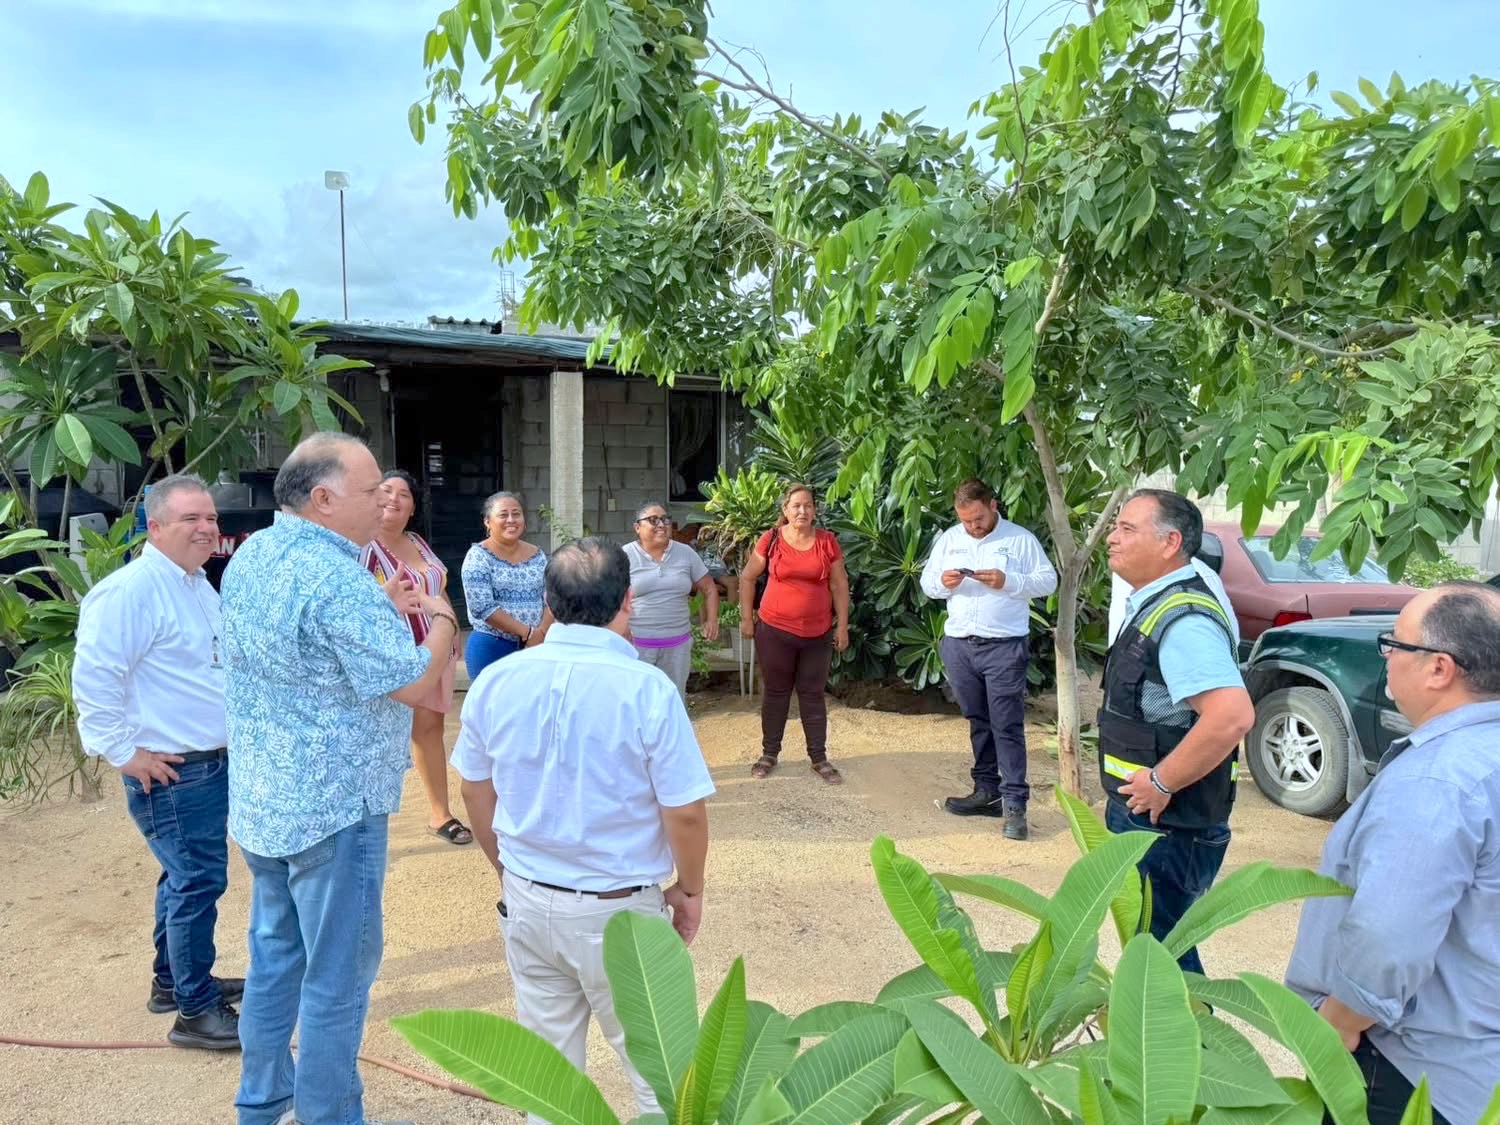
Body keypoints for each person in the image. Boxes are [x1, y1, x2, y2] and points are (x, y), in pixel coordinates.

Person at [222, 432, 457, 1125]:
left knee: (274, 959)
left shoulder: (254, 553)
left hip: (267, 801)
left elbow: (309, 646)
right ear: (323, 499)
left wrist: (380, 606)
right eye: (370, 489)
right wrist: (442, 620)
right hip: (334, 809)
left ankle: (262, 1102)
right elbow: (412, 681)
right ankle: (330, 1115)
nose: (384, 499)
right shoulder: (336, 577)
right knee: (336, 979)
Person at [453, 538, 713, 1122]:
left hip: (528, 897)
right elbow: (685, 811)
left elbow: (474, 789)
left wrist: (506, 869)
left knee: (549, 1078)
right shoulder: (646, 689)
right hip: (620, 910)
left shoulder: (496, 681)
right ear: (629, 600)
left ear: (548, 601)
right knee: (661, 1077)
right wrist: (691, 889)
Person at [1286, 581, 1500, 1125]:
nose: (1385, 656)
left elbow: (1388, 933)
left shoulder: (1438, 779)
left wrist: (1342, 1019)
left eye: (1395, 643)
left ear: (1439, 668)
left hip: (1413, 1069)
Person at [73, 474, 243, 1050]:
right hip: (175, 771)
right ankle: (195, 1012)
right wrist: (124, 753)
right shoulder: (130, 592)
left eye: (211, 518)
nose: (207, 528)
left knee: (182, 876)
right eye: (192, 518)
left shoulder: (196, 585)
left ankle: (173, 982)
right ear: (156, 526)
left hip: (205, 764)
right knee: (198, 881)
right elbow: (95, 678)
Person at [1100, 489, 1254, 973]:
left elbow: (1231, 716)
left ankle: (1190, 1027)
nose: (1111, 538)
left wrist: (1161, 782)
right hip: (1152, 817)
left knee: (1165, 965)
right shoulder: (1156, 603)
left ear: (1170, 543)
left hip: (1170, 824)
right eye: (1115, 527)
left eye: (1127, 529)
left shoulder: (1184, 619)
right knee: (1156, 951)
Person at [920, 479, 1058, 841]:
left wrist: (1008, 581)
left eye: (978, 518)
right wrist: (944, 582)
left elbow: (1048, 581)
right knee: (978, 721)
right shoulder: (950, 539)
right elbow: (927, 584)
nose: (973, 526)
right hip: (959, 645)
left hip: (1004, 647)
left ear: (993, 505)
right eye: (965, 520)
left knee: (1007, 725)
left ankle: (1015, 806)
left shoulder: (1020, 539)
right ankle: (986, 792)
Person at [360, 469, 470, 846]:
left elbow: (439, 586)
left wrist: (450, 630)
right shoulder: (363, 547)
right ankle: (366, 819)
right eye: (386, 491)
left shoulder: (419, 542)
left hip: (436, 650)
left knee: (430, 729)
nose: (394, 498)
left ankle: (440, 813)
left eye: (404, 494)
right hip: (397, 657)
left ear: (412, 508)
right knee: (383, 735)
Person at [738, 483, 851, 784]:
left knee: (812, 694)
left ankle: (819, 758)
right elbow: (747, 578)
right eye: (796, 505)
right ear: (785, 510)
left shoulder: (827, 541)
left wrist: (841, 625)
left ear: (815, 511)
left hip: (817, 633)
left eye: (808, 505)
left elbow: (839, 584)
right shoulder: (771, 539)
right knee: (776, 692)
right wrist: (746, 618)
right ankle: (769, 754)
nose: (802, 510)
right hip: (774, 630)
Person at [624, 500, 719, 700]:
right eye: (653, 520)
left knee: (674, 700)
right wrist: (621, 631)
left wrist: (711, 620)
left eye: (665, 519)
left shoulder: (685, 553)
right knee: (639, 702)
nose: (661, 524)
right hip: (637, 646)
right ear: (637, 528)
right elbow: (613, 598)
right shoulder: (624, 556)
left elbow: (709, 588)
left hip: (677, 646)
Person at [460, 490, 552, 681]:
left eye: (516, 514)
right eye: (503, 515)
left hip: (535, 647)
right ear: (487, 522)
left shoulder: (538, 555)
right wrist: (528, 633)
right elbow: (482, 607)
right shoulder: (478, 556)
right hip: (492, 647)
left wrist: (541, 634)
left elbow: (551, 598)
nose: (511, 520)